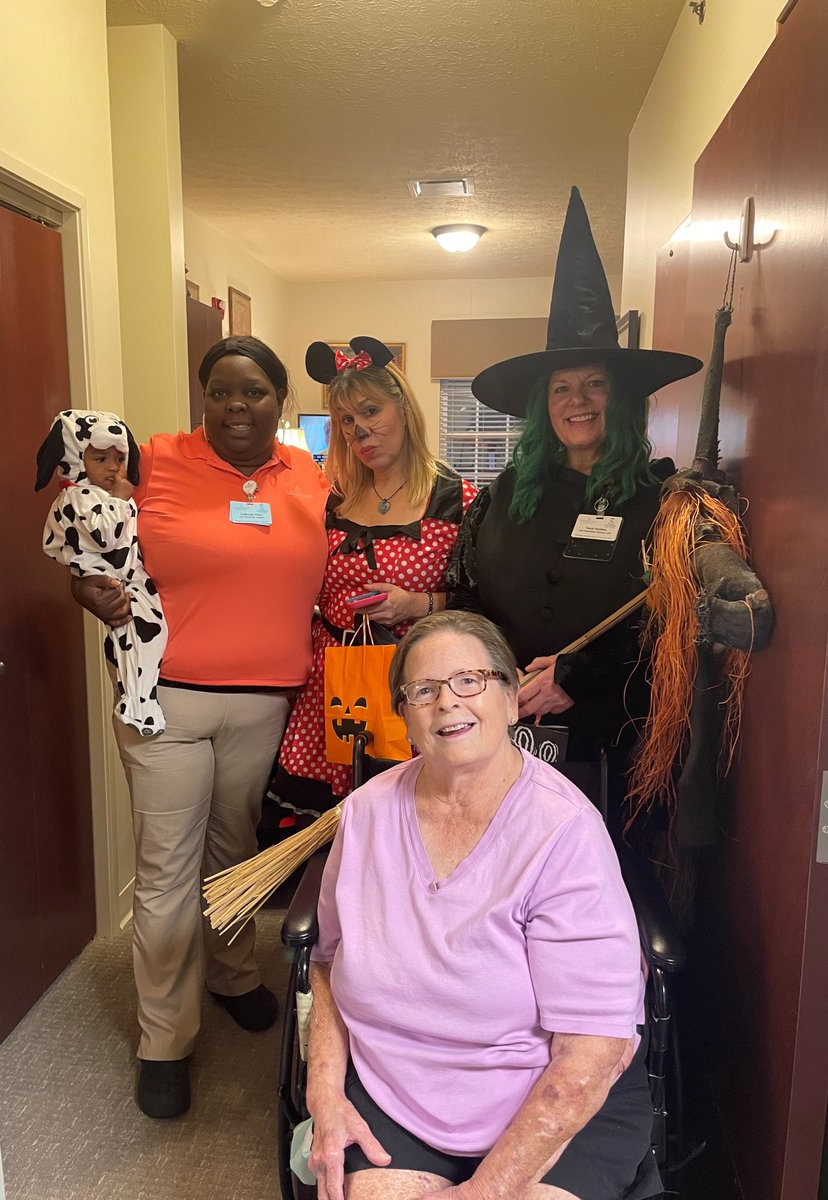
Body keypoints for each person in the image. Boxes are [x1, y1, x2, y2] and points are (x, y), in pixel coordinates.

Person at [306, 610, 661, 1200]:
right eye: (423, 689)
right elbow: (326, 961)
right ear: (406, 717)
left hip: (553, 1100)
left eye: (471, 680)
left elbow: (591, 1052)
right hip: (400, 1088)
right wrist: (325, 1095)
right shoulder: (366, 814)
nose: (448, 702)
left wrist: (479, 1193)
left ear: (513, 697)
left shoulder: (563, 830)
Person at [71, 336, 330, 1118]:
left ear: (278, 400)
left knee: (235, 852)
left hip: (264, 703)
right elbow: (88, 535)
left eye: (254, 391)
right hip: (166, 702)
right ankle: (164, 1038)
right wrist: (87, 587)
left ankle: (231, 974)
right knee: (167, 870)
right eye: (220, 391)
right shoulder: (153, 460)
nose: (237, 405)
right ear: (202, 398)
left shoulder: (309, 475)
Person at [446, 188, 702, 804]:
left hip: (608, 741)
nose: (577, 401)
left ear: (621, 398)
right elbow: (465, 599)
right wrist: (489, 679)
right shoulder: (501, 497)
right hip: (498, 725)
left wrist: (579, 679)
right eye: (561, 388)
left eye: (594, 384)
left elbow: (670, 631)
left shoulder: (659, 503)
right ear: (543, 406)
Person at [272, 337, 477, 814]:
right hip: (333, 685)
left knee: (412, 819)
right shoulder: (333, 501)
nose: (359, 430)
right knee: (330, 834)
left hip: (417, 685)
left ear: (403, 408)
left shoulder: (456, 499)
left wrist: (417, 604)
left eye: (370, 411)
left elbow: (481, 603)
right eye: (346, 419)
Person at [35, 409, 167, 737]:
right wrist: (121, 501)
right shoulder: (79, 497)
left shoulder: (95, 495)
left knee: (150, 637)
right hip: (118, 583)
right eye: (100, 458)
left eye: (119, 458)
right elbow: (104, 537)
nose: (112, 468)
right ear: (77, 458)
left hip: (131, 579)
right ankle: (135, 704)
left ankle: (140, 701)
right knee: (131, 638)